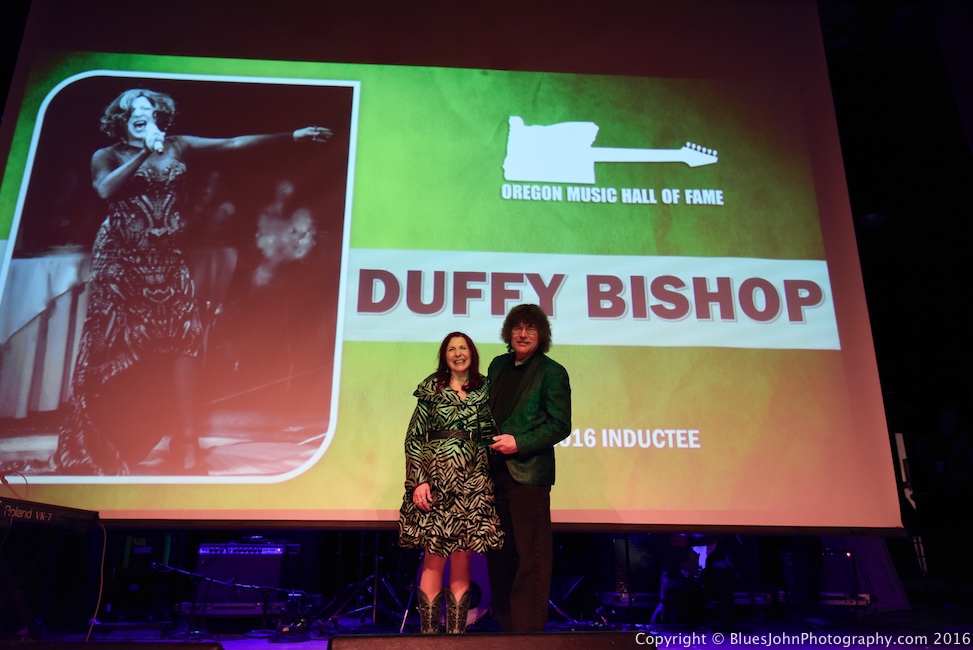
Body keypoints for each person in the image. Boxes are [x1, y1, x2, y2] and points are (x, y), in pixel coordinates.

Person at [54, 88, 331, 475]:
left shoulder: (177, 145)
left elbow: (233, 144)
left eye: (150, 110)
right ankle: (107, 436)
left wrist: (292, 136)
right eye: (134, 110)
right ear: (122, 119)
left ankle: (187, 441)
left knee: (184, 340)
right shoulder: (108, 155)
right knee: (114, 345)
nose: (144, 115)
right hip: (120, 260)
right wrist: (144, 153)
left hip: (167, 258)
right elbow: (104, 189)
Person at [398, 332, 504, 634]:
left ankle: (456, 637)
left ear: (472, 353)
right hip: (435, 483)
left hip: (473, 483)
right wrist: (419, 481)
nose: (458, 353)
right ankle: (429, 638)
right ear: (444, 356)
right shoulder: (432, 389)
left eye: (463, 348)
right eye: (452, 349)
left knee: (462, 558)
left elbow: (493, 434)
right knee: (434, 558)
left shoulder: (486, 389)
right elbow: (413, 439)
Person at [486, 303, 572, 632]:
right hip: (493, 474)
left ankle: (528, 634)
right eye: (517, 328)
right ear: (509, 332)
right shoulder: (497, 365)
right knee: (499, 556)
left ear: (541, 335)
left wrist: (519, 442)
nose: (523, 334)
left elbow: (560, 425)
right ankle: (507, 629)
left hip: (529, 475)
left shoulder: (552, 372)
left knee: (530, 557)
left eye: (530, 329)